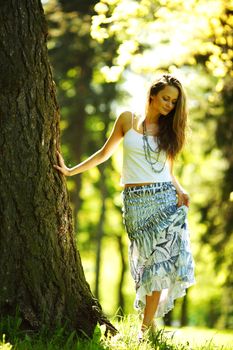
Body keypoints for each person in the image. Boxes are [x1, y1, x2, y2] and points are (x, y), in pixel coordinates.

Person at [54, 73, 195, 339]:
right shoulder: (126, 119)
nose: (169, 105)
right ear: (152, 94)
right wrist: (71, 171)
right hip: (135, 203)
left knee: (160, 262)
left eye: (174, 102)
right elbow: (104, 153)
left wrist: (180, 189)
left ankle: (144, 328)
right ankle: (150, 322)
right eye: (165, 98)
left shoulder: (169, 131)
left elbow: (168, 170)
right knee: (146, 263)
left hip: (165, 199)